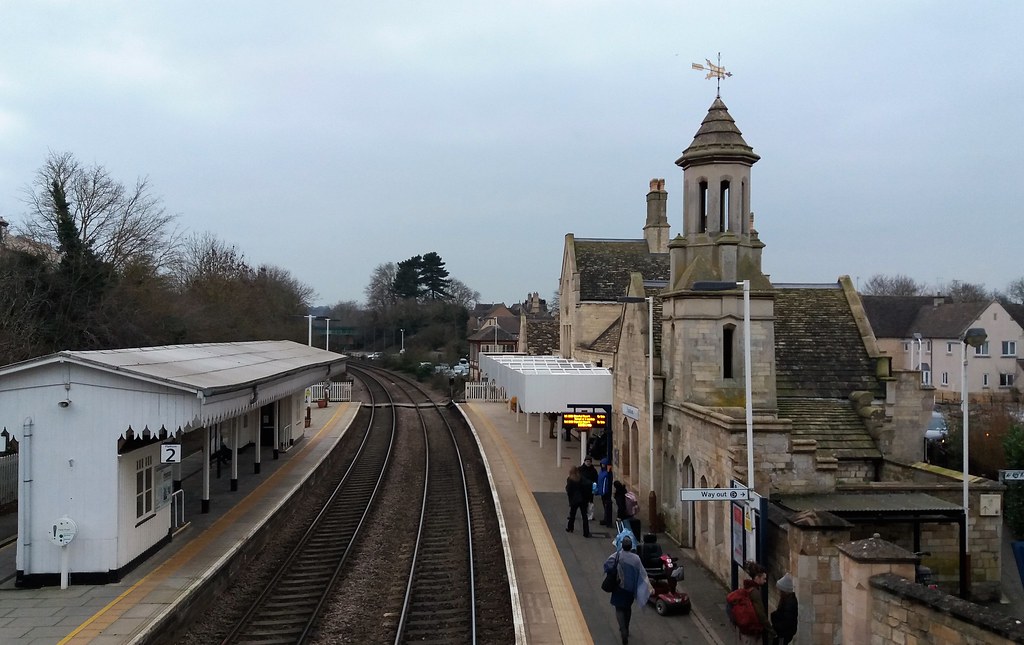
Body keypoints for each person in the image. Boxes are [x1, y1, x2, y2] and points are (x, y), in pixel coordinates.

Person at [603, 535, 651, 645]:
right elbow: (642, 574)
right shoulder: (636, 559)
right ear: (631, 546)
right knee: (627, 608)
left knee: (619, 609)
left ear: (622, 546)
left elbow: (607, 565)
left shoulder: (617, 556)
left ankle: (622, 629)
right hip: (630, 589)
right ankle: (627, 628)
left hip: (618, 587)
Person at [730, 561, 775, 645]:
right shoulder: (755, 592)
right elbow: (760, 613)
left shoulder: (747, 588)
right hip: (752, 632)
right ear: (757, 577)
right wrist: (770, 629)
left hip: (744, 630)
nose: (765, 581)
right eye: (764, 578)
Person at [771, 573, 798, 645]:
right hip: (784, 632)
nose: (779, 592)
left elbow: (787, 622)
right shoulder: (788, 600)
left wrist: (776, 625)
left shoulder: (789, 604)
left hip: (784, 634)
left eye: (781, 591)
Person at [565, 465, 591, 537]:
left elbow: (569, 490)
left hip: (575, 500)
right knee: (584, 516)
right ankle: (586, 532)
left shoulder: (570, 479)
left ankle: (570, 528)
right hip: (583, 499)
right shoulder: (581, 478)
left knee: (572, 514)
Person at [580, 455, 598, 521]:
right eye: (587, 461)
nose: (588, 463)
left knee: (590, 502)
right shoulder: (580, 469)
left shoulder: (593, 470)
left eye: (589, 461)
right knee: (584, 502)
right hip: (583, 489)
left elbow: (596, 479)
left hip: (590, 489)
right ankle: (584, 514)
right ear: (584, 461)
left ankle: (590, 515)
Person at [597, 458, 614, 526]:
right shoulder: (601, 471)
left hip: (606, 492)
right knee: (605, 506)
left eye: (604, 464)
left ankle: (607, 519)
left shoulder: (608, 473)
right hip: (602, 491)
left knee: (607, 505)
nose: (603, 465)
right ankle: (606, 518)